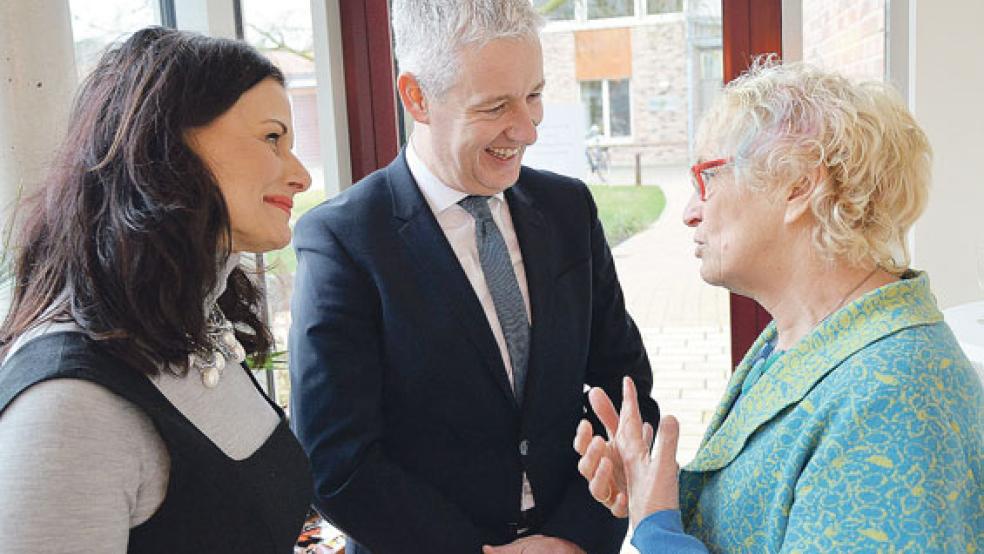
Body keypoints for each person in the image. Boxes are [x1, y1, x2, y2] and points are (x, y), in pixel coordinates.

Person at [288, 1, 658, 552]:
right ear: (417, 97)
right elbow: (337, 462)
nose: (528, 129)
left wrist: (575, 537)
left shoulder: (568, 209)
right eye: (495, 107)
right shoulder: (343, 241)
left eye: (533, 95)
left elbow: (626, 391)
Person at [574, 60, 984, 552]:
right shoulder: (795, 338)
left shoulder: (893, 397)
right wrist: (663, 496)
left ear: (798, 186)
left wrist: (657, 530)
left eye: (708, 177)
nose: (688, 212)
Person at [0, 27, 314, 552]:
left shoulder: (197, 329)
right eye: (272, 139)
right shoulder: (70, 406)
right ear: (166, 144)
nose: (300, 175)